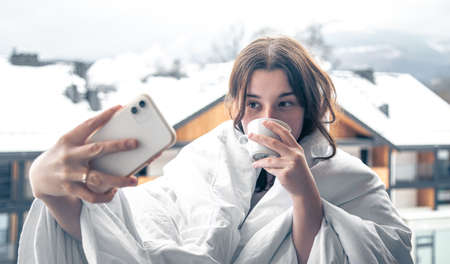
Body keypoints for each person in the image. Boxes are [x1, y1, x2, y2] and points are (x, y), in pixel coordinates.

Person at [19, 36, 413, 263]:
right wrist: (53, 191)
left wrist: (305, 194)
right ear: (237, 103)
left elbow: (381, 253)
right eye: (254, 104)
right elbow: (132, 238)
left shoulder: (350, 179)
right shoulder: (204, 158)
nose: (267, 116)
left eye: (286, 103)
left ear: (308, 106)